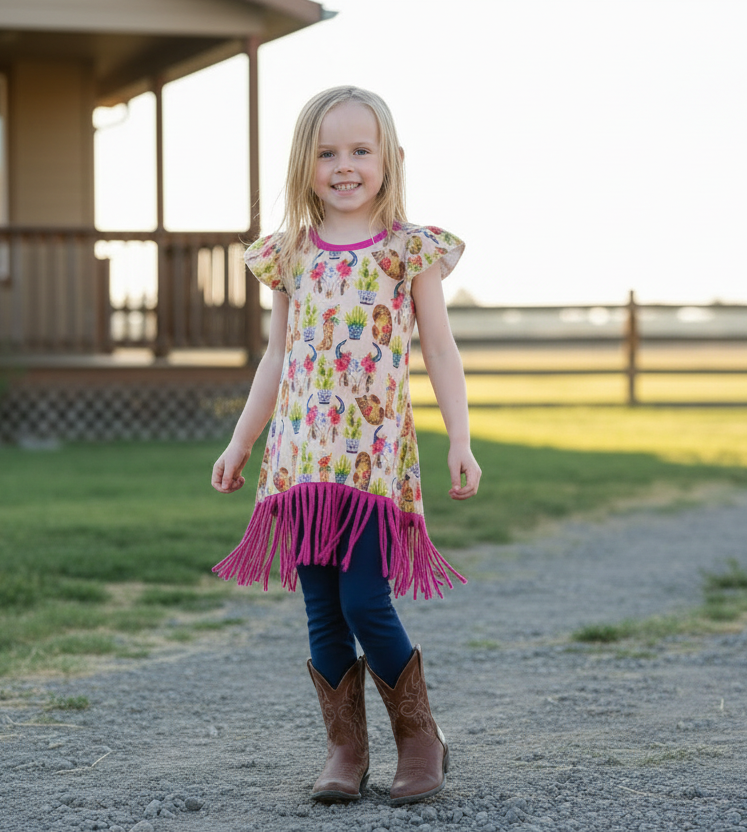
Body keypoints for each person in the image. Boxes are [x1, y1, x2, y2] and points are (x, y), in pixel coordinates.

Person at [211, 86, 481, 806]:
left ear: (390, 159)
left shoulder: (406, 250)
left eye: (361, 150)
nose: (345, 166)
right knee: (321, 609)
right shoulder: (290, 256)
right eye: (328, 152)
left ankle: (421, 737)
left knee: (366, 600)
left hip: (371, 466)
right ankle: (344, 748)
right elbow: (275, 359)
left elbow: (441, 351)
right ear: (305, 165)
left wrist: (462, 438)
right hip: (301, 463)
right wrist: (242, 442)